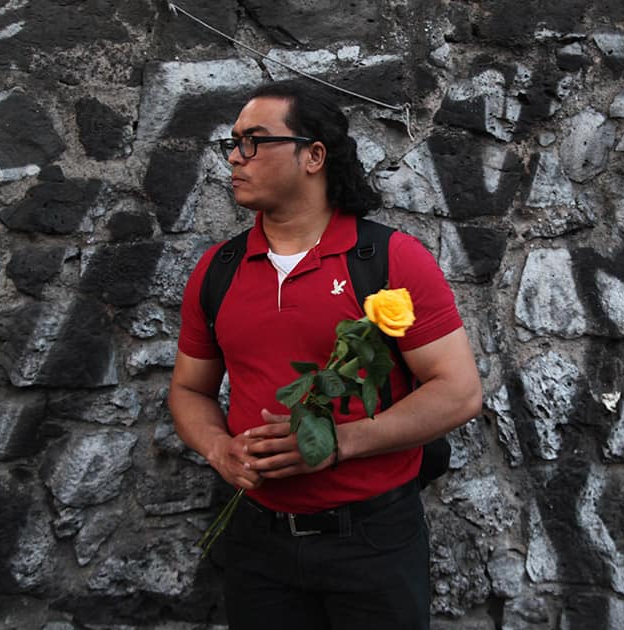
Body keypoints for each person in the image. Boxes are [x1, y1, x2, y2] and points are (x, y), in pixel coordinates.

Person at [168, 79, 483, 629]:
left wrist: (339, 442)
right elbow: (190, 389)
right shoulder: (216, 269)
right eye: (233, 142)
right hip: (257, 538)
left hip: (373, 540)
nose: (234, 158)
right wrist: (219, 449)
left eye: (254, 142)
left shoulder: (389, 261)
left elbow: (458, 392)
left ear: (313, 155)